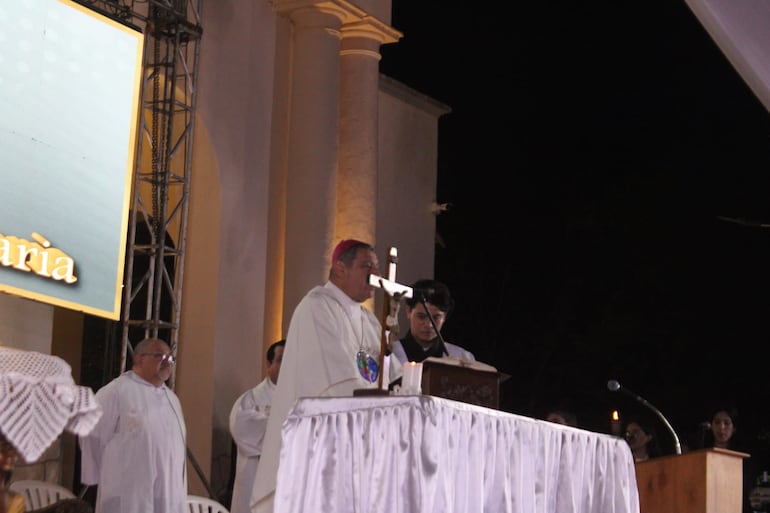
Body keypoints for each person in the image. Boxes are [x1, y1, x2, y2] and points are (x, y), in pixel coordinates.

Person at [251, 239, 403, 513]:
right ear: (340, 269)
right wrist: (377, 404)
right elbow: (334, 380)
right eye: (367, 266)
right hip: (323, 441)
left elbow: (394, 377)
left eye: (377, 268)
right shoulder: (317, 307)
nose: (377, 276)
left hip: (361, 435)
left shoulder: (368, 320)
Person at [79, 337, 187, 513]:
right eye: (160, 356)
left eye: (170, 358)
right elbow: (92, 432)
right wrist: (102, 471)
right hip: (129, 492)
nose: (167, 362)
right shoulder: (116, 391)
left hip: (168, 492)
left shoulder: (172, 399)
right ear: (139, 359)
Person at [228, 339, 285, 513]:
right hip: (257, 481)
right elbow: (244, 432)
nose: (287, 365)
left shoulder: (303, 399)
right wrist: (291, 429)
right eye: (281, 359)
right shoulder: (250, 400)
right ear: (269, 364)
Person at [391, 278, 475, 363]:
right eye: (421, 317)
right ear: (408, 312)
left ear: (445, 316)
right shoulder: (391, 354)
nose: (429, 325)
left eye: (436, 318)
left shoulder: (462, 357)